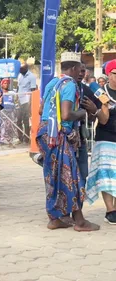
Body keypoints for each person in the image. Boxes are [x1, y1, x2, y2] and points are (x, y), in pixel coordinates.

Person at [37, 52, 99, 231]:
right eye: (80, 68)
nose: (82, 72)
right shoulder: (70, 84)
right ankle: (79, 221)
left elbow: (41, 109)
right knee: (71, 175)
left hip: (45, 133)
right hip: (59, 134)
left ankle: (55, 218)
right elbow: (66, 114)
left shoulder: (52, 82)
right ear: (73, 68)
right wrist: (81, 113)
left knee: (53, 176)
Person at [86, 60, 116, 224]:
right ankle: (110, 210)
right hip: (106, 138)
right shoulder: (100, 92)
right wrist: (103, 106)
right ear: (110, 75)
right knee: (107, 176)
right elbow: (103, 120)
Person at [17, 63, 37, 144]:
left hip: (26, 100)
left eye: (21, 69)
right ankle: (20, 138)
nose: (20, 70)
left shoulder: (31, 77)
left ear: (26, 68)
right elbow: (19, 87)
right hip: (19, 100)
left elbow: (33, 90)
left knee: (26, 120)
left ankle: (26, 139)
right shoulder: (19, 75)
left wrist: (30, 103)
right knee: (18, 120)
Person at [0, 78, 19, 145]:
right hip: (3, 112)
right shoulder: (0, 93)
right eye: (5, 83)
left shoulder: (12, 93)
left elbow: (16, 102)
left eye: (7, 83)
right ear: (2, 84)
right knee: (3, 125)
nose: (6, 85)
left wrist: (16, 110)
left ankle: (13, 138)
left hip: (11, 111)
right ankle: (3, 138)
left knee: (12, 125)